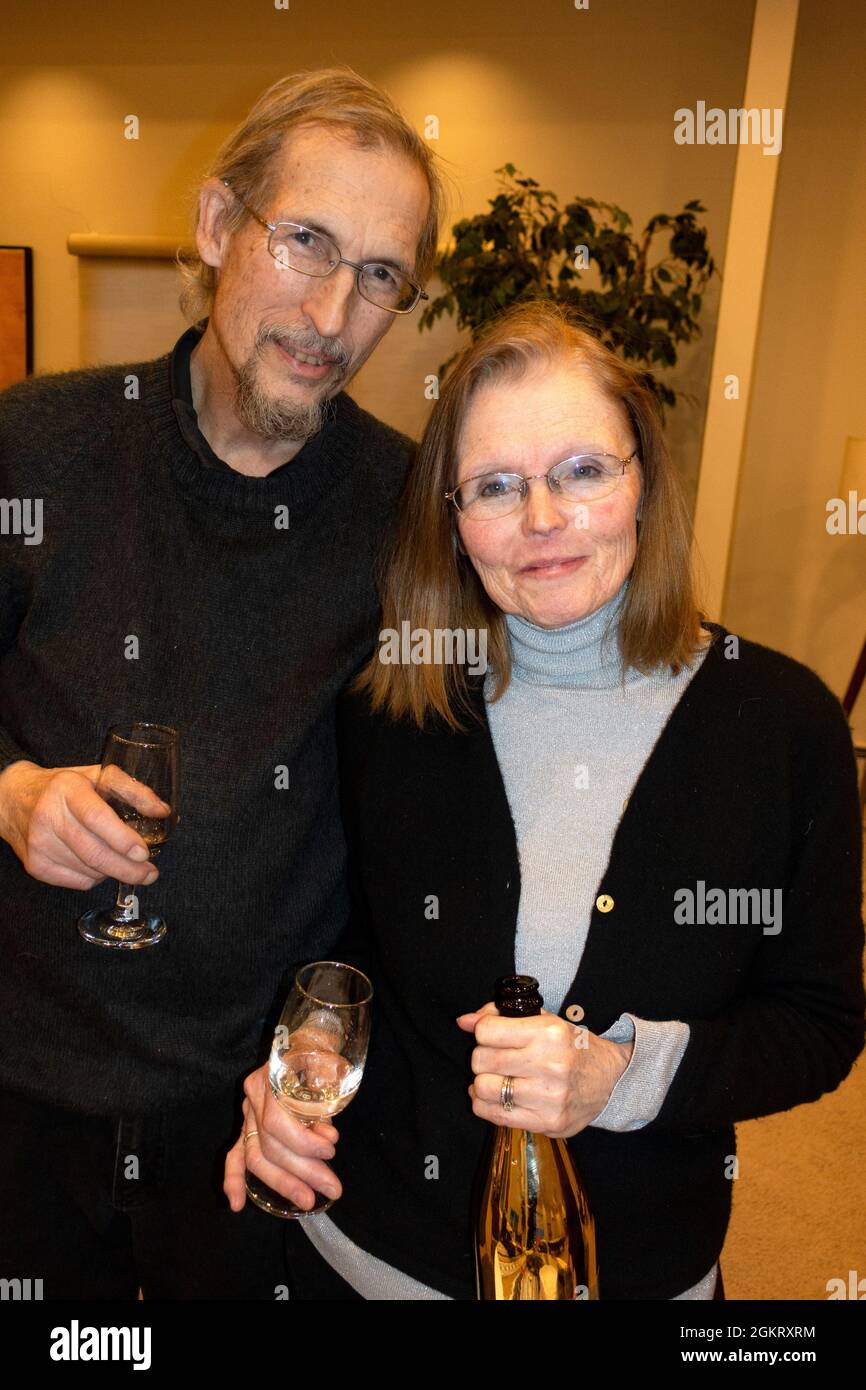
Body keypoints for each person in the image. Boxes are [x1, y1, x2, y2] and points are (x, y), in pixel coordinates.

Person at [228, 300, 866, 1300]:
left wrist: (623, 1076)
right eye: (493, 486)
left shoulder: (780, 724)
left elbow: (817, 1023)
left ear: (641, 479)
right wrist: (303, 1049)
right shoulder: (396, 703)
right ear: (449, 518)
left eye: (580, 470)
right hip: (370, 1250)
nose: (539, 520)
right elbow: (343, 941)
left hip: (640, 1265)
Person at [0, 67, 443, 1299]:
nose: (331, 309)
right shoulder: (36, 446)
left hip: (253, 1111)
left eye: (379, 275)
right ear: (213, 227)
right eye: (304, 240)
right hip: (26, 1088)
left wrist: (322, 1035)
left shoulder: (409, 516)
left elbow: (425, 823)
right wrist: (12, 790)